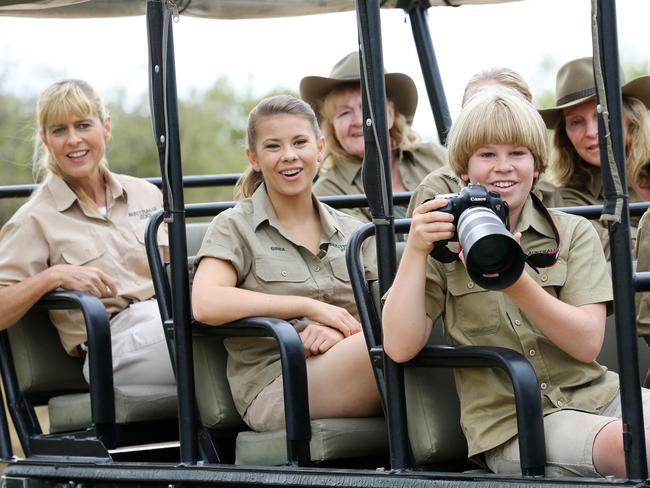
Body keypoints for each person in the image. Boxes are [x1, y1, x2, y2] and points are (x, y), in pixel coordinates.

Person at [382, 88, 650, 478]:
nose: (503, 167)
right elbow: (400, 346)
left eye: (517, 154)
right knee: (635, 445)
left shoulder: (571, 232)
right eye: (487, 155)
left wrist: (514, 279)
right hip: (512, 423)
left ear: (537, 166)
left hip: (598, 396)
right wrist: (416, 251)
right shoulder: (442, 242)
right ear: (463, 171)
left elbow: (587, 342)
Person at [191, 95, 381, 431]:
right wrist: (308, 309)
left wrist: (340, 333)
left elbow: (387, 309)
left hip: (351, 355)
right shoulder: (235, 226)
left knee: (412, 342)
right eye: (273, 146)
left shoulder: (352, 230)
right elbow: (207, 302)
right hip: (279, 381)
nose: (289, 156)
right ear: (254, 157)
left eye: (299, 142)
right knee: (390, 351)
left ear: (320, 148)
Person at [0, 79, 174, 387]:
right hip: (112, 345)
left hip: (165, 318)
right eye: (58, 130)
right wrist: (51, 277)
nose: (72, 140)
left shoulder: (145, 194)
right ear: (45, 139)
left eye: (82, 125)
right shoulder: (35, 219)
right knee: (197, 337)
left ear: (105, 128)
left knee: (247, 331)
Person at [299, 51, 447, 222]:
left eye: (368, 108)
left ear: (390, 115)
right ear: (332, 127)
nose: (359, 121)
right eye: (344, 113)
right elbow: (365, 248)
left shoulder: (435, 157)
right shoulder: (328, 191)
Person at [407, 67, 562, 218]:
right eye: (487, 154)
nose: (495, 113)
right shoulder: (436, 190)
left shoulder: (549, 193)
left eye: (517, 153)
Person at [539, 56, 650, 255]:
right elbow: (614, 253)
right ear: (566, 134)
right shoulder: (568, 200)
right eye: (576, 122)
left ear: (631, 118)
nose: (591, 131)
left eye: (602, 115)